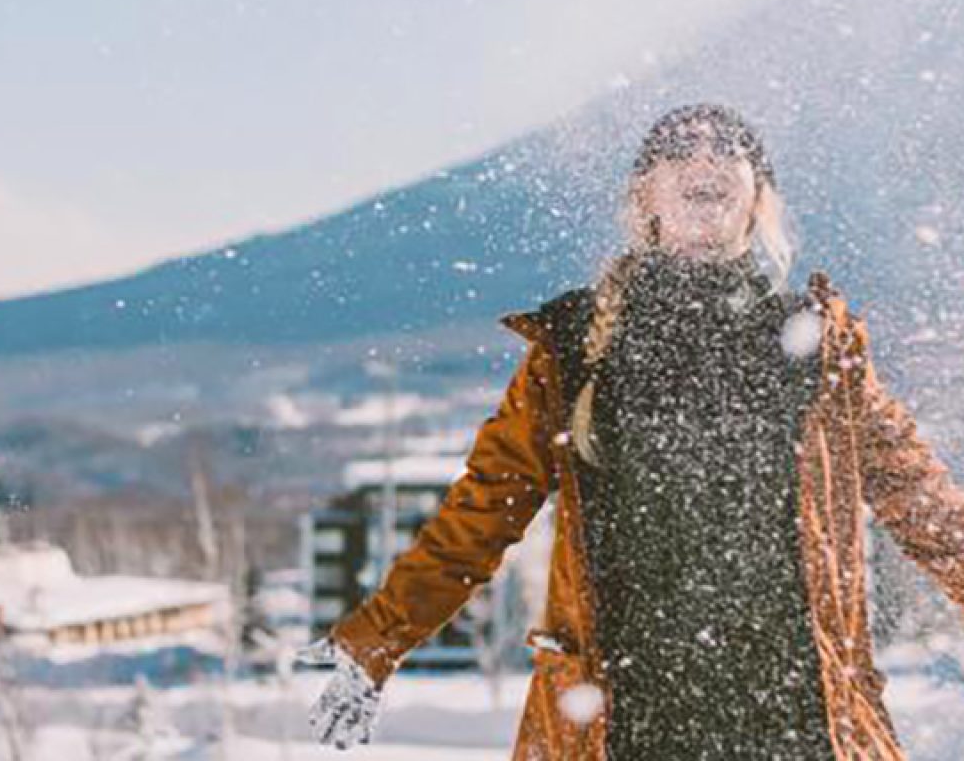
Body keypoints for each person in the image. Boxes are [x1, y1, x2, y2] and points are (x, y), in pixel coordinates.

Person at [298, 102, 964, 758]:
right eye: (679, 148)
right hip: (629, 727)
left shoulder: (819, 347)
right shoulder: (576, 350)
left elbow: (922, 501)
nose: (705, 156)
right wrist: (376, 638)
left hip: (797, 725)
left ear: (760, 198)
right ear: (645, 194)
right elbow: (481, 512)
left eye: (728, 146)